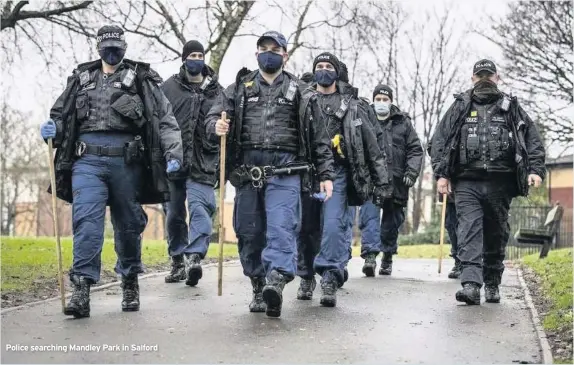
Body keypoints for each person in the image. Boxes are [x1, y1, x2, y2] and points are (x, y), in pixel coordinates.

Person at [39, 25, 183, 318]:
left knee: (128, 226)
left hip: (127, 163)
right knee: (86, 222)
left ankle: (129, 279)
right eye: (107, 45)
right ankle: (82, 288)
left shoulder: (141, 80)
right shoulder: (81, 79)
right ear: (98, 47)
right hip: (86, 162)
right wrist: (52, 130)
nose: (112, 50)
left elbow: (164, 119)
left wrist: (173, 153)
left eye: (117, 45)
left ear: (125, 46)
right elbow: (61, 117)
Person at [204, 31, 335, 318]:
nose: (269, 53)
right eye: (263, 48)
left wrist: (326, 175)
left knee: (281, 227)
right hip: (247, 172)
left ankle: (276, 279)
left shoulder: (302, 93)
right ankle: (258, 285)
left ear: (285, 54)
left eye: (274, 48)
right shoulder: (238, 88)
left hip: (286, 171)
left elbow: (320, 140)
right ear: (256, 53)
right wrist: (216, 126)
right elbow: (213, 116)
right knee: (249, 233)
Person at [430, 59, 545, 305]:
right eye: (480, 75)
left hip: (500, 181)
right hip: (466, 181)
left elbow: (531, 137)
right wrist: (442, 174)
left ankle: (492, 281)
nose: (484, 79)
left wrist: (535, 169)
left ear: (497, 78)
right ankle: (471, 284)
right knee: (468, 229)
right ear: (472, 78)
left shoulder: (510, 106)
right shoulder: (460, 105)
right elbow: (439, 141)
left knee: (496, 232)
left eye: (488, 75)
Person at [301, 52, 392, 307]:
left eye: (328, 66)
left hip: (338, 175)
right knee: (306, 229)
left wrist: (382, 182)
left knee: (332, 226)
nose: (323, 70)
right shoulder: (303, 99)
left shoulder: (354, 105)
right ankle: (306, 275)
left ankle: (330, 276)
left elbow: (372, 145)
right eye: (318, 65)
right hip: (307, 173)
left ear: (336, 71)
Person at [160, 40, 224, 287]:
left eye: (200, 54)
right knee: (174, 213)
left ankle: (194, 256)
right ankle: (177, 260)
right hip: (174, 161)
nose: (197, 59)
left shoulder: (216, 91)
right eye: (192, 55)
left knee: (202, 209)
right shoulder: (168, 88)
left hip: (204, 161)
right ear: (184, 58)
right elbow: (159, 123)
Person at [360, 85, 423, 276]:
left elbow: (415, 149)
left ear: (391, 101)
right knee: (369, 217)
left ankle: (387, 255)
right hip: (371, 180)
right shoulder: (364, 119)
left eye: (384, 99)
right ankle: (370, 257)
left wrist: (411, 172)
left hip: (396, 180)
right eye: (377, 98)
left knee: (392, 222)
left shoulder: (403, 122)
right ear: (373, 100)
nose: (381, 102)